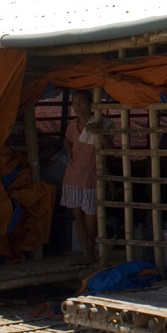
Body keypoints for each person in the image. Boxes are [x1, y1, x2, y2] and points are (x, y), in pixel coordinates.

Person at [61, 90, 112, 266]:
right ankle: (87, 253)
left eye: (81, 103)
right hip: (73, 175)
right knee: (78, 216)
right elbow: (67, 140)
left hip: (92, 177)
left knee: (91, 219)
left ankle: (92, 251)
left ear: (91, 104)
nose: (77, 107)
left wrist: (99, 133)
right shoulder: (71, 126)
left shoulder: (102, 125)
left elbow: (111, 150)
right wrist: (68, 151)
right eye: (74, 104)